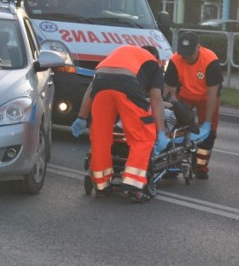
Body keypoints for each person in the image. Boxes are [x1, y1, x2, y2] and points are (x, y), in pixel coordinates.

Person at [70, 45, 169, 203]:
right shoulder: (154, 65)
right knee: (142, 135)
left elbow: (91, 89)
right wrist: (161, 132)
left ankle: (102, 186)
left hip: (101, 82)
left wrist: (81, 117)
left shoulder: (119, 54)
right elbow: (156, 99)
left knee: (100, 136)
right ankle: (132, 186)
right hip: (126, 84)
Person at [164, 32, 223, 179]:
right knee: (175, 127)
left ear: (198, 47)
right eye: (184, 54)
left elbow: (212, 94)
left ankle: (201, 166)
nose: (187, 57)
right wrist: (170, 112)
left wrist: (207, 123)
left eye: (190, 54)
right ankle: (173, 163)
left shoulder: (210, 61)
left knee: (210, 133)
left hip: (206, 98)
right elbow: (168, 91)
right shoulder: (175, 60)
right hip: (184, 96)